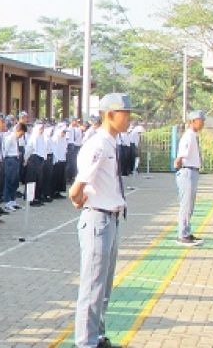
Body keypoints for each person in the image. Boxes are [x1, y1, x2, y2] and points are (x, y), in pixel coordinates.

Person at [68, 93, 134, 348]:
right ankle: (85, 342)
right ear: (110, 114)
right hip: (98, 219)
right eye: (125, 114)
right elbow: (76, 189)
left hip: (110, 218)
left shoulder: (110, 142)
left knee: (104, 286)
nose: (129, 119)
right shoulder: (97, 144)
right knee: (92, 287)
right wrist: (78, 200)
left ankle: (96, 336)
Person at [174, 111, 206, 247]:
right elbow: (180, 156)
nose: (203, 123)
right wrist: (179, 166)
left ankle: (186, 231)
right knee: (186, 205)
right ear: (193, 121)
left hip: (192, 171)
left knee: (189, 205)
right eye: (201, 121)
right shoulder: (188, 135)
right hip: (187, 171)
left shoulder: (193, 135)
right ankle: (182, 235)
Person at [2, 122, 25, 212]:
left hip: (15, 159)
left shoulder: (15, 139)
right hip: (10, 160)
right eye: (21, 133)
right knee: (9, 181)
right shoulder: (10, 137)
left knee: (15, 181)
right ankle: (7, 201)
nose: (21, 136)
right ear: (18, 130)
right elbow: (5, 150)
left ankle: (13, 200)